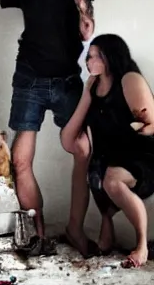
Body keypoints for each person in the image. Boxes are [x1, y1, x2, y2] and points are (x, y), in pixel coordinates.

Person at [0, 0, 95, 256]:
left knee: (83, 150)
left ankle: (75, 229)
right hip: (29, 78)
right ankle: (39, 235)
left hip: (67, 80)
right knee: (20, 161)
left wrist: (85, 16)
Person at [60, 34, 154, 268]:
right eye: (88, 56)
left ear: (109, 58)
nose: (88, 62)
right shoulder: (94, 85)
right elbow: (68, 140)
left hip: (142, 157)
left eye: (94, 56)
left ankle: (141, 244)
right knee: (96, 169)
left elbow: (150, 125)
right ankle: (105, 227)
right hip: (109, 159)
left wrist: (137, 125)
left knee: (111, 179)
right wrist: (86, 94)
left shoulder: (129, 79)